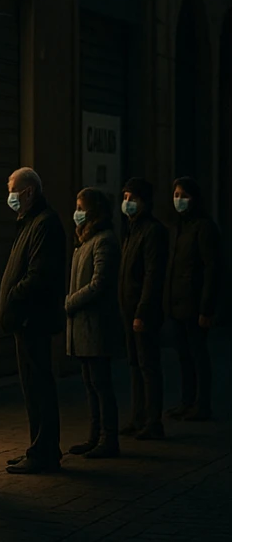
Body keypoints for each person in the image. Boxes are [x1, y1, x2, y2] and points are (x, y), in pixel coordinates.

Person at [0, 168, 67, 474]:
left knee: (39, 385)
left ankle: (44, 452)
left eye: (13, 189)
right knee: (32, 386)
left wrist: (14, 296)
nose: (9, 196)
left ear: (28, 192)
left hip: (32, 319)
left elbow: (38, 275)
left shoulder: (45, 223)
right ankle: (37, 448)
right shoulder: (29, 222)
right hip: (24, 319)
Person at [66, 187, 124, 458]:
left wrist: (70, 302)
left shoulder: (104, 241)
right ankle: (94, 436)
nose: (77, 212)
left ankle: (108, 438)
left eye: (81, 207)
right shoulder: (84, 241)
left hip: (96, 324)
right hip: (82, 325)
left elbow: (99, 283)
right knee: (89, 383)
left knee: (102, 383)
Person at [117, 177, 169, 441]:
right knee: (134, 364)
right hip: (129, 309)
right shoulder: (131, 228)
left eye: (132, 199)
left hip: (142, 312)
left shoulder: (152, 231)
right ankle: (138, 417)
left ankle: (153, 421)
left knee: (148, 366)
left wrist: (142, 312)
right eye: (125, 198)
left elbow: (152, 276)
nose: (127, 203)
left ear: (145, 202)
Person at [166, 175, 221, 421]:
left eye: (184, 195)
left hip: (194, 302)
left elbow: (212, 268)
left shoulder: (204, 227)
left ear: (194, 198)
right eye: (176, 195)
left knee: (198, 354)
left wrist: (206, 307)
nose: (179, 200)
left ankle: (202, 404)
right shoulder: (179, 227)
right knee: (183, 355)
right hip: (178, 302)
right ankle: (187, 401)